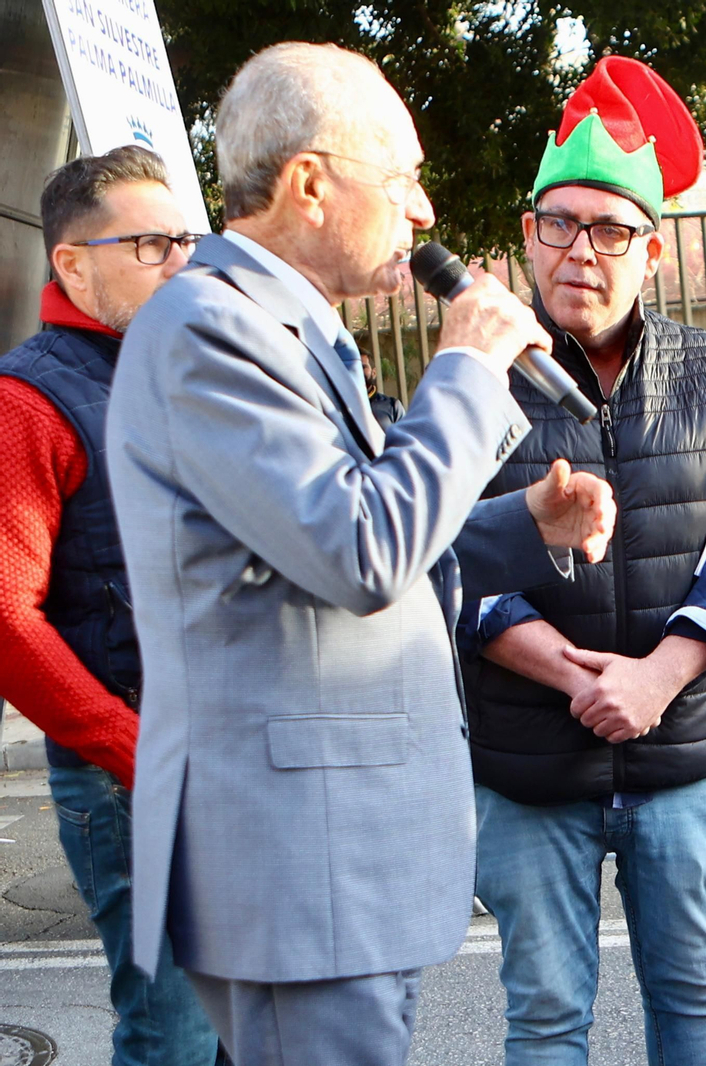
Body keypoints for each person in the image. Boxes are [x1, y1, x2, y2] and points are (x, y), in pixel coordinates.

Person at [105, 43, 615, 1066]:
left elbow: (338, 535)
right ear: (308, 183)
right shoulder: (211, 328)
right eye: (403, 179)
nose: (424, 213)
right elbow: (359, 550)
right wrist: (468, 368)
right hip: (299, 859)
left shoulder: (291, 329)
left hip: (330, 855)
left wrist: (525, 523)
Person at [463, 56, 706, 1066]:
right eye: (557, 223)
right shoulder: (468, 382)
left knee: (693, 998)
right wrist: (569, 674)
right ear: (528, 237)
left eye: (609, 230)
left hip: (679, 753)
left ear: (653, 250)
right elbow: (439, 555)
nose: (580, 251)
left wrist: (657, 677)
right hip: (527, 763)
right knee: (547, 1014)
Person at [0, 147, 220, 1066]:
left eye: (186, 239)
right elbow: (8, 620)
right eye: (151, 243)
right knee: (173, 1035)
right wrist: (136, 750)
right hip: (133, 777)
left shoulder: (191, 368)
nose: (181, 261)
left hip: (235, 757)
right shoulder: (28, 399)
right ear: (71, 264)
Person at [360, 346, 406, 429]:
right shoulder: (337, 405)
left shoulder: (392, 406)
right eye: (352, 367)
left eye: (363, 367)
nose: (357, 370)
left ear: (374, 373)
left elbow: (406, 439)